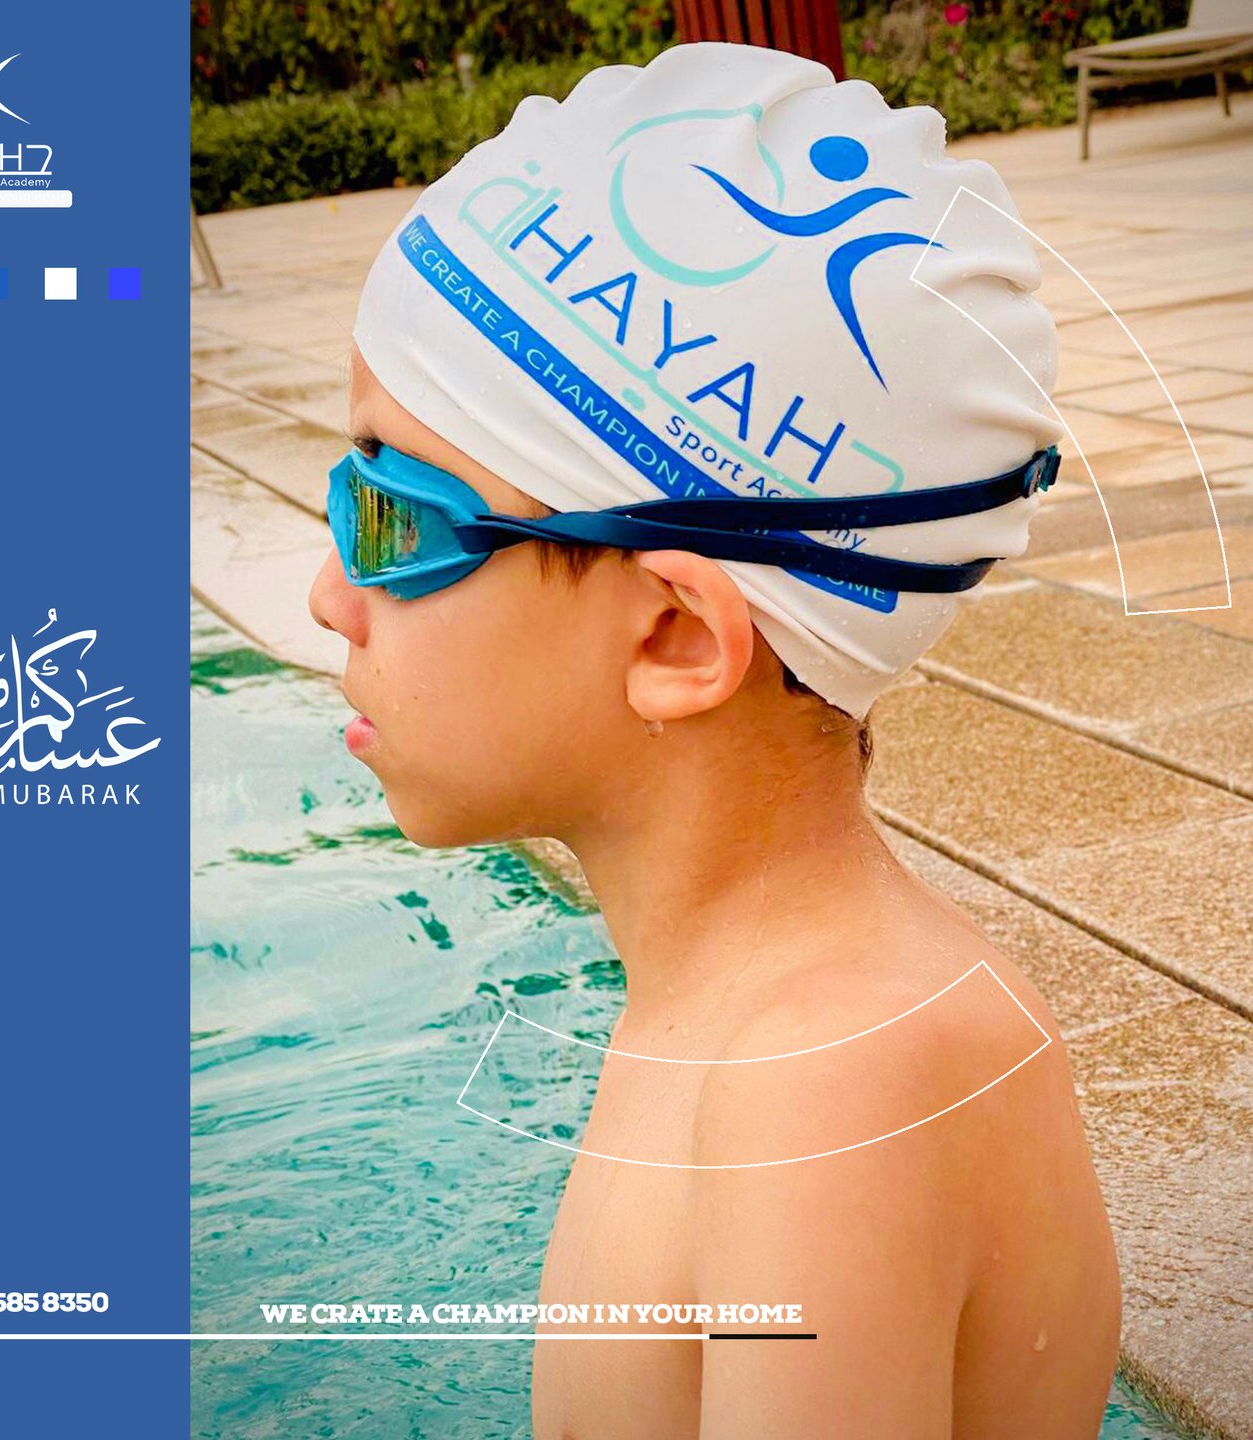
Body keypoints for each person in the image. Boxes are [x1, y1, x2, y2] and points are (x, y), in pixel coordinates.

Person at [308, 41, 1120, 1439]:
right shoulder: (745, 1017)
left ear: (677, 636)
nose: (330, 591)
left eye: (391, 515)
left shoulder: (828, 1091)